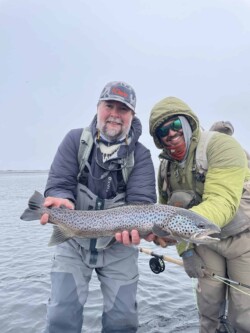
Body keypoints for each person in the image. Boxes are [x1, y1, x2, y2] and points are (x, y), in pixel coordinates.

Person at [41, 81, 157, 333]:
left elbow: (142, 204)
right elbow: (59, 182)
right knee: (62, 315)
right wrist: (59, 199)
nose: (115, 114)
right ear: (98, 108)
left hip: (118, 246)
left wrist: (138, 229)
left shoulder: (142, 156)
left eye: (123, 109)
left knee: (123, 321)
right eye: (109, 106)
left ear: (132, 115)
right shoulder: (74, 141)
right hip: (72, 242)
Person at [149, 96, 250, 333]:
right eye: (163, 129)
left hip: (243, 240)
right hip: (203, 242)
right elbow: (163, 208)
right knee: (208, 310)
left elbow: (223, 201)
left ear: (188, 123)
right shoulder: (165, 169)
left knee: (244, 316)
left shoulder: (223, 146)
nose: (171, 133)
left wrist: (173, 226)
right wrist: (187, 252)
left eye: (176, 125)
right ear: (158, 138)